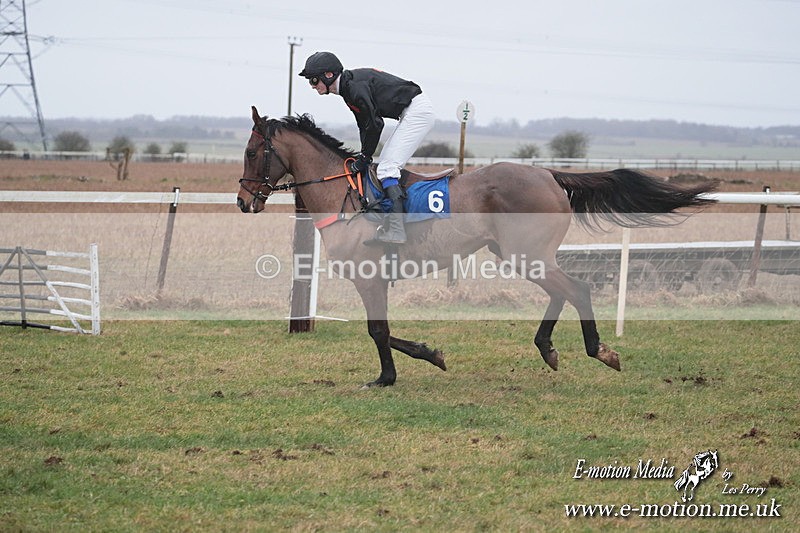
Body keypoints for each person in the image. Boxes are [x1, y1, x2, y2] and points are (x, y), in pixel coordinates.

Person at [299, 51, 435, 245]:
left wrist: (365, 157)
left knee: (388, 168)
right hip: (411, 111)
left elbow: (375, 124)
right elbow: (364, 125)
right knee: (384, 167)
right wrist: (364, 155)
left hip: (417, 112)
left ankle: (397, 230)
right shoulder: (348, 88)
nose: (312, 86)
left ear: (328, 75)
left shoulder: (353, 89)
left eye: (313, 80)